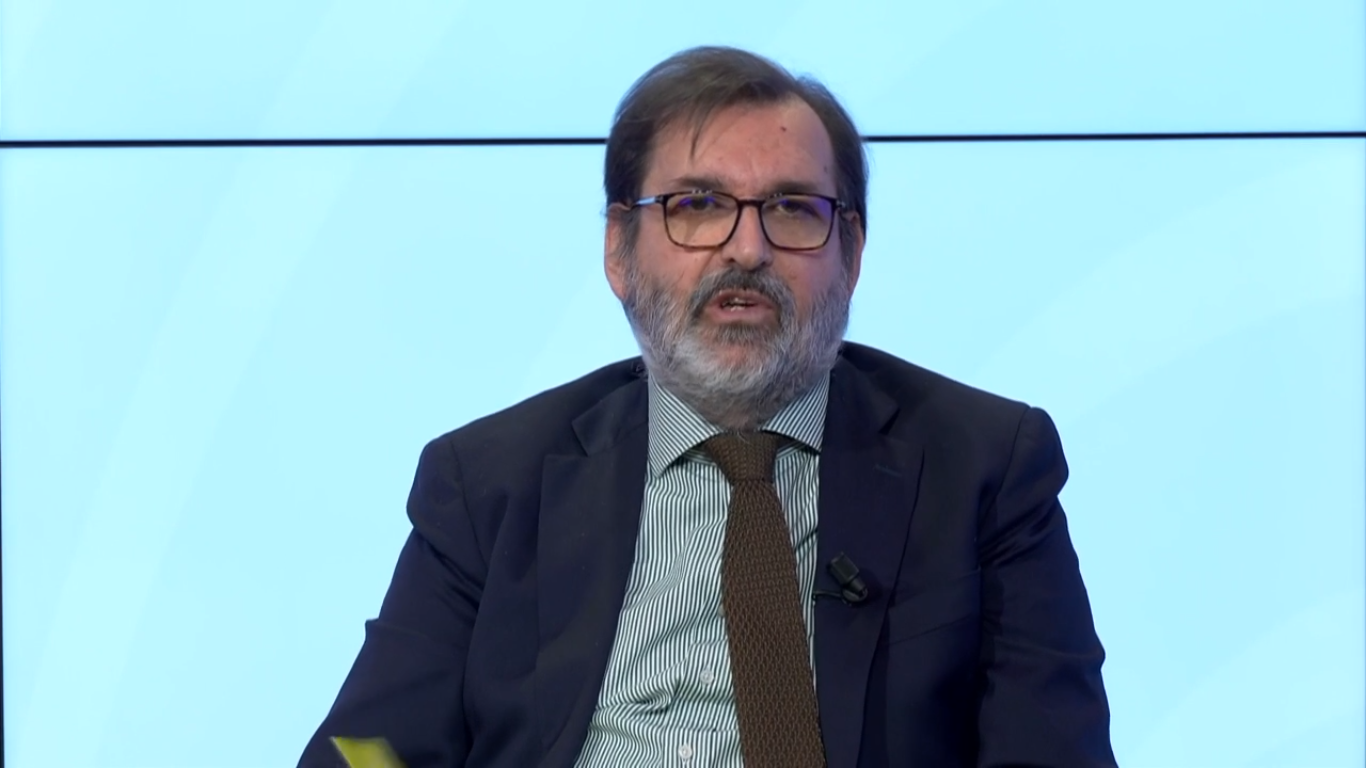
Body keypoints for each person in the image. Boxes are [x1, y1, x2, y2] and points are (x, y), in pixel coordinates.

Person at [300, 46, 1116, 768]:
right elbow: (365, 752)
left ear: (852, 253)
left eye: (793, 208)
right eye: (697, 206)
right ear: (619, 250)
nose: (747, 248)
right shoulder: (488, 483)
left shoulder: (983, 467)